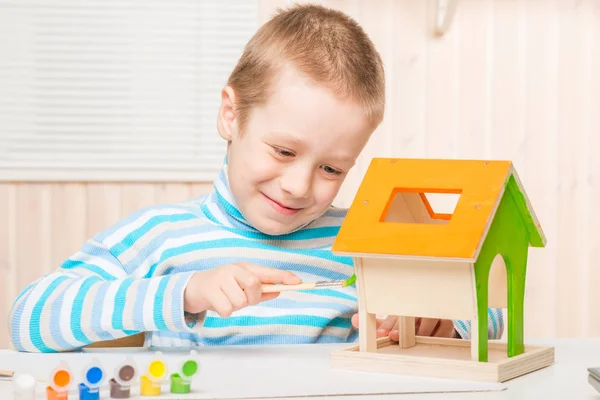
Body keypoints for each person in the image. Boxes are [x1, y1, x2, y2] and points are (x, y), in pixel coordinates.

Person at [8, 4, 503, 353]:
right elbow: (30, 318)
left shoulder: (365, 242)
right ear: (231, 115)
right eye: (283, 150)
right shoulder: (162, 236)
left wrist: (442, 320)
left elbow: (492, 318)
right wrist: (184, 293)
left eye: (332, 168)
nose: (298, 185)